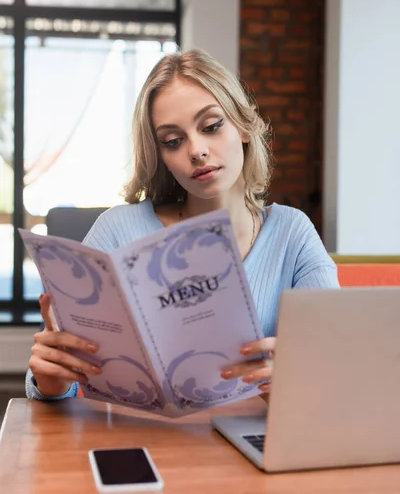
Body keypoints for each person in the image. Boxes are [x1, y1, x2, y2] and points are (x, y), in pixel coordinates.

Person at [26, 48, 339, 402]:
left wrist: (304, 376)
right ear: (162, 158)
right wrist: (51, 383)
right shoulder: (116, 229)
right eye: (173, 141)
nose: (197, 150)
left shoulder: (291, 233)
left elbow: (337, 363)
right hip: (132, 438)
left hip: (248, 441)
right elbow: (52, 377)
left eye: (211, 126)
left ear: (244, 127)